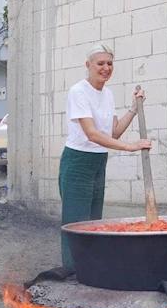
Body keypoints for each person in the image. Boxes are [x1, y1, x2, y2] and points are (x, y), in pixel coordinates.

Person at [59, 43, 152, 267]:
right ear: (88, 65)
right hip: (78, 160)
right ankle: (73, 269)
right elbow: (91, 134)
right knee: (76, 220)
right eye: (100, 63)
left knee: (93, 219)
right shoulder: (78, 91)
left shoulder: (107, 93)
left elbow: (114, 132)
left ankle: (90, 265)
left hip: (99, 159)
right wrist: (131, 147)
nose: (106, 68)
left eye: (110, 63)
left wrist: (133, 109)